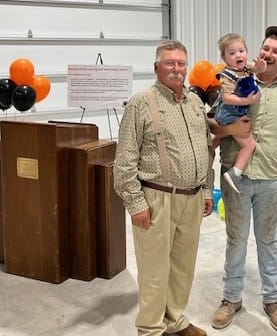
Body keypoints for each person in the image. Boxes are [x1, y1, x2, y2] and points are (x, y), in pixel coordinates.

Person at [114, 40, 214, 336]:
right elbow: (124, 160)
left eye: (181, 63)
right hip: (156, 199)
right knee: (154, 271)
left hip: (192, 198)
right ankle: (150, 329)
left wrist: (206, 190)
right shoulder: (141, 103)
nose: (176, 69)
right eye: (170, 63)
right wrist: (136, 204)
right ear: (157, 67)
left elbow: (206, 149)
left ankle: (175, 320)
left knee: (183, 267)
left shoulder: (195, 103)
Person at [210, 26, 277, 333]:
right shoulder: (237, 79)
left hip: (271, 177)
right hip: (237, 175)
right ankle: (231, 298)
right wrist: (231, 130)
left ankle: (272, 300)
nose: (268, 54)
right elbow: (213, 123)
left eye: (276, 51)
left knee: (268, 241)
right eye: (265, 48)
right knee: (236, 239)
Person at [214, 32, 266, 193]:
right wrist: (246, 101)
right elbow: (227, 98)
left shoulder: (246, 67)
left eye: (241, 51)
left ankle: (210, 146)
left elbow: (259, 69)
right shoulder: (227, 75)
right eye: (232, 53)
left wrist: (261, 66)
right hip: (230, 114)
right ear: (224, 58)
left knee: (220, 138)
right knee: (249, 144)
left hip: (239, 111)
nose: (238, 55)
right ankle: (235, 173)